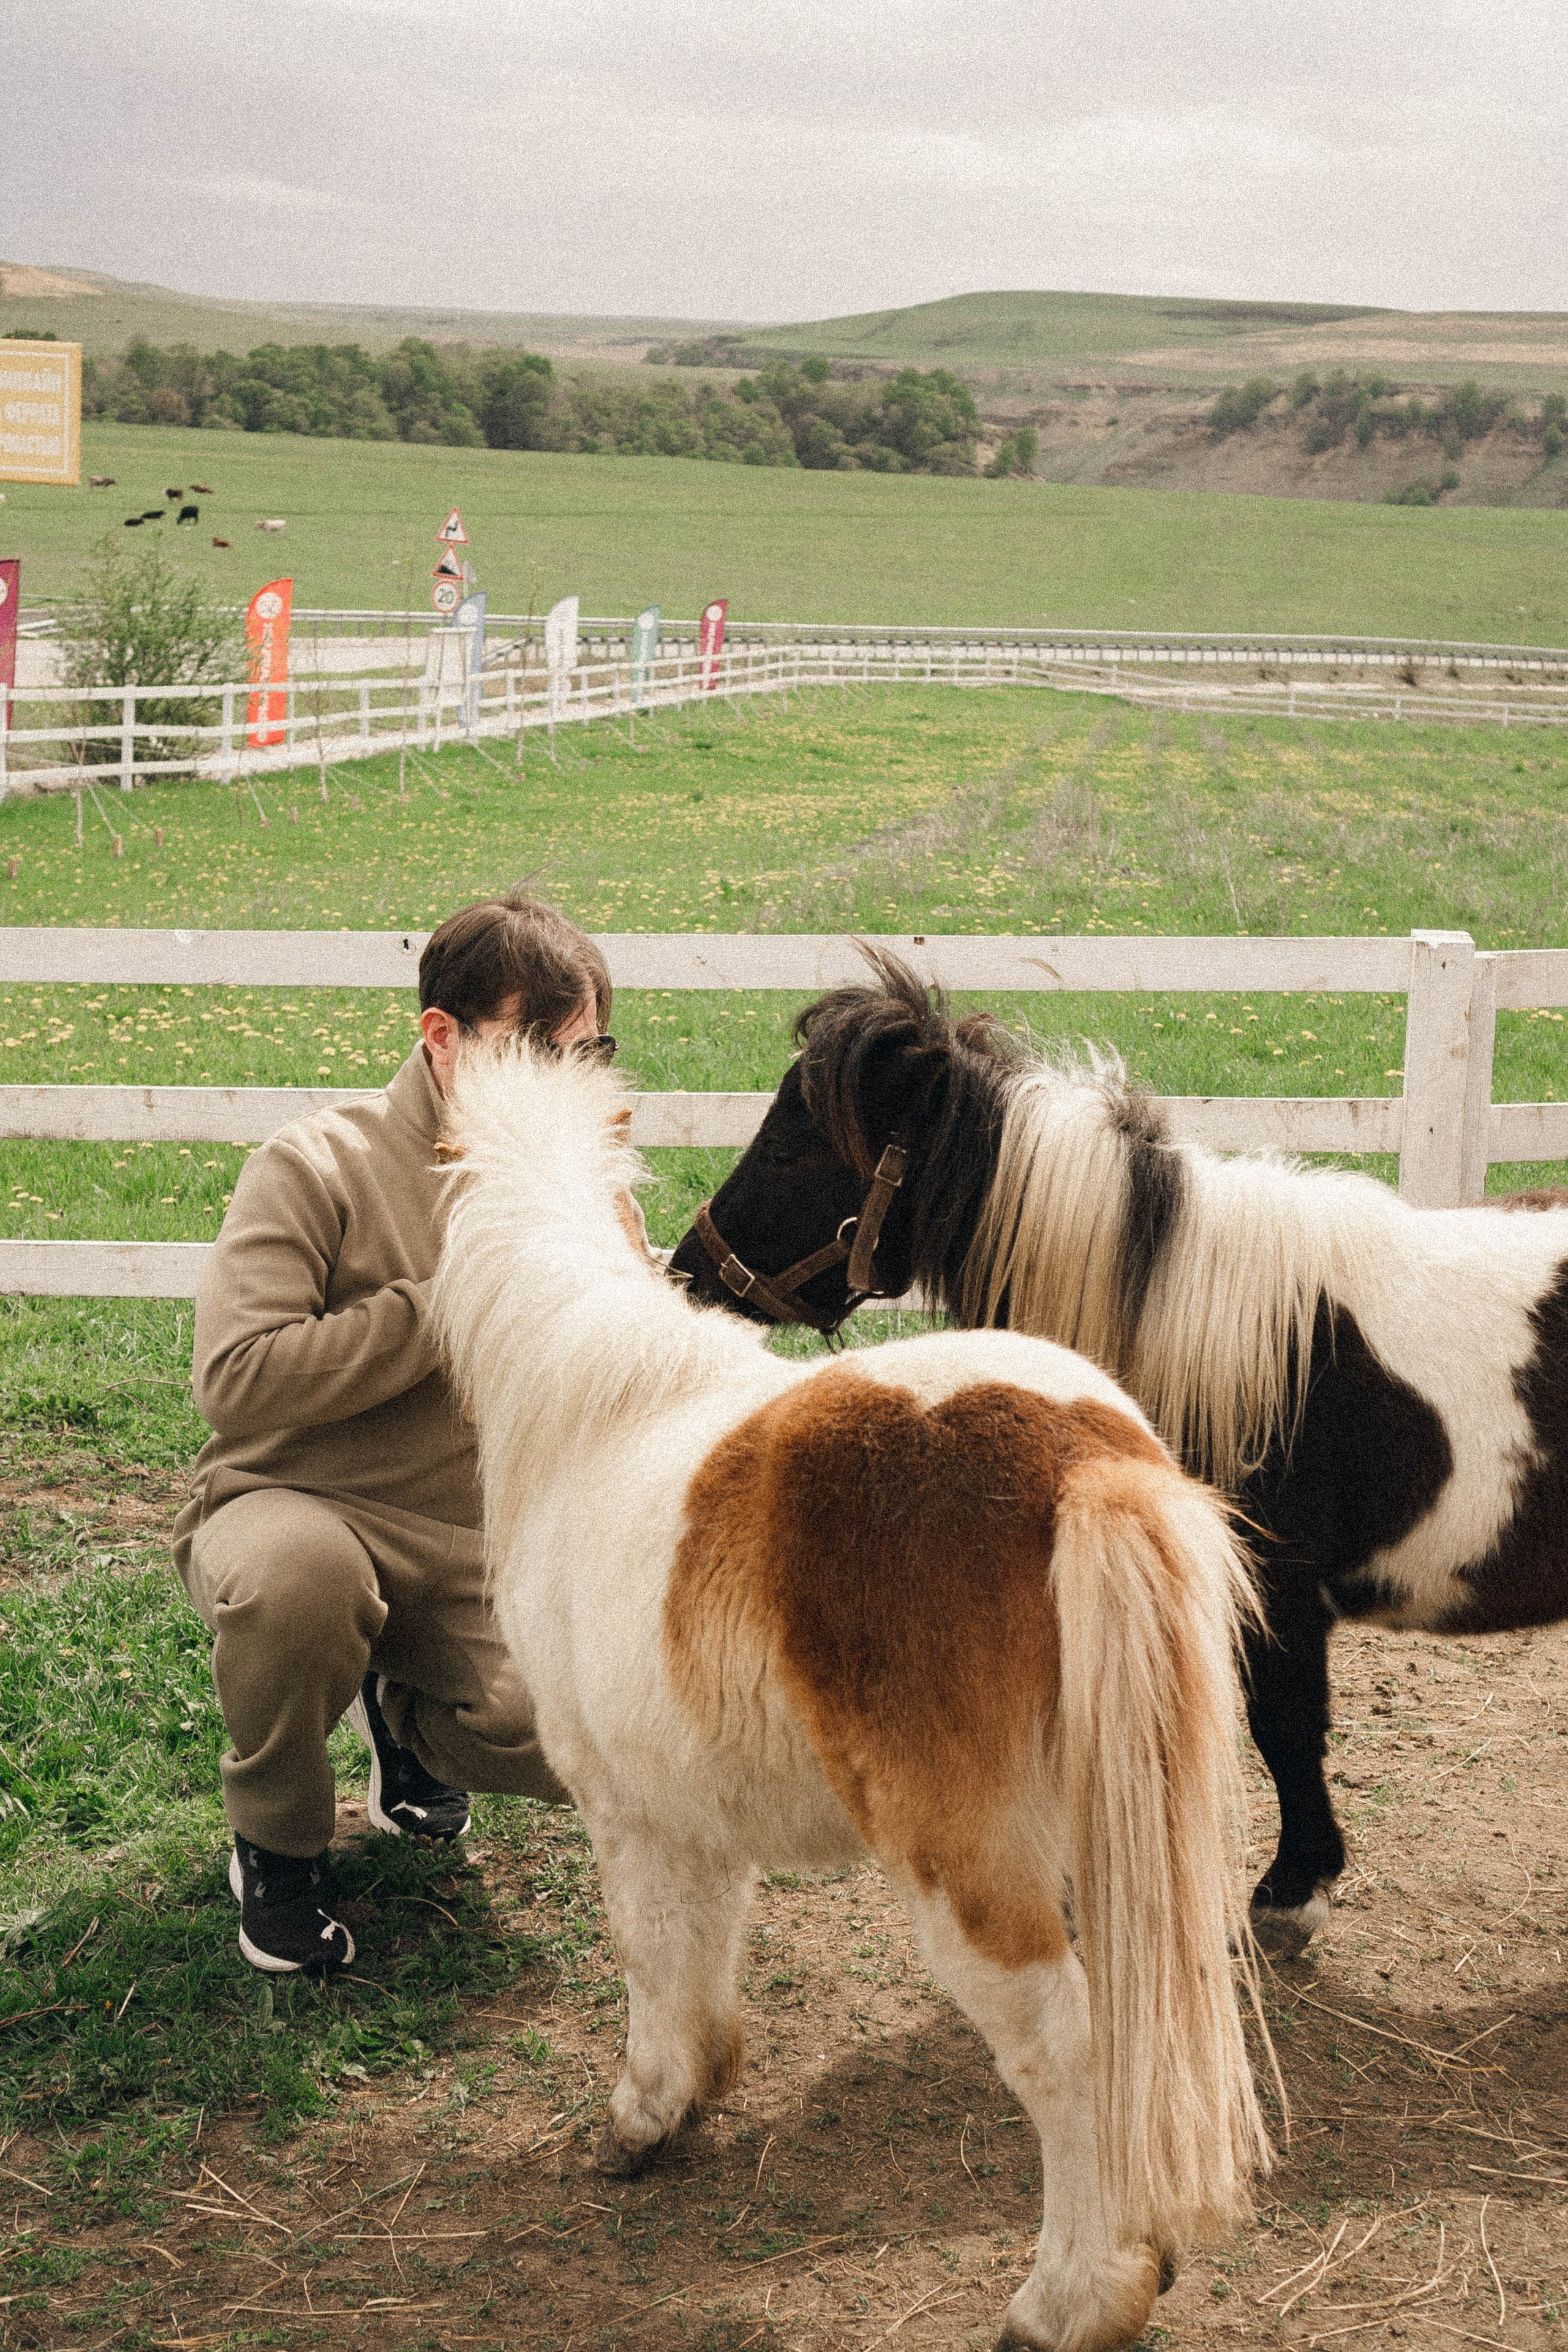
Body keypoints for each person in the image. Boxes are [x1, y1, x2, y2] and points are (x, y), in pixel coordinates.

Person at [173, 889, 614, 1975]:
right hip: (292, 1507)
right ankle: (277, 1845)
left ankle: (403, 1715)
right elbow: (233, 1378)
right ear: (442, 1038)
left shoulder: (576, 1181)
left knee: (579, 1737)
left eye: (592, 1053)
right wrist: (443, 1302)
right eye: (537, 1053)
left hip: (469, 1543)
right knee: (298, 1584)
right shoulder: (313, 1163)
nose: (574, 1085)